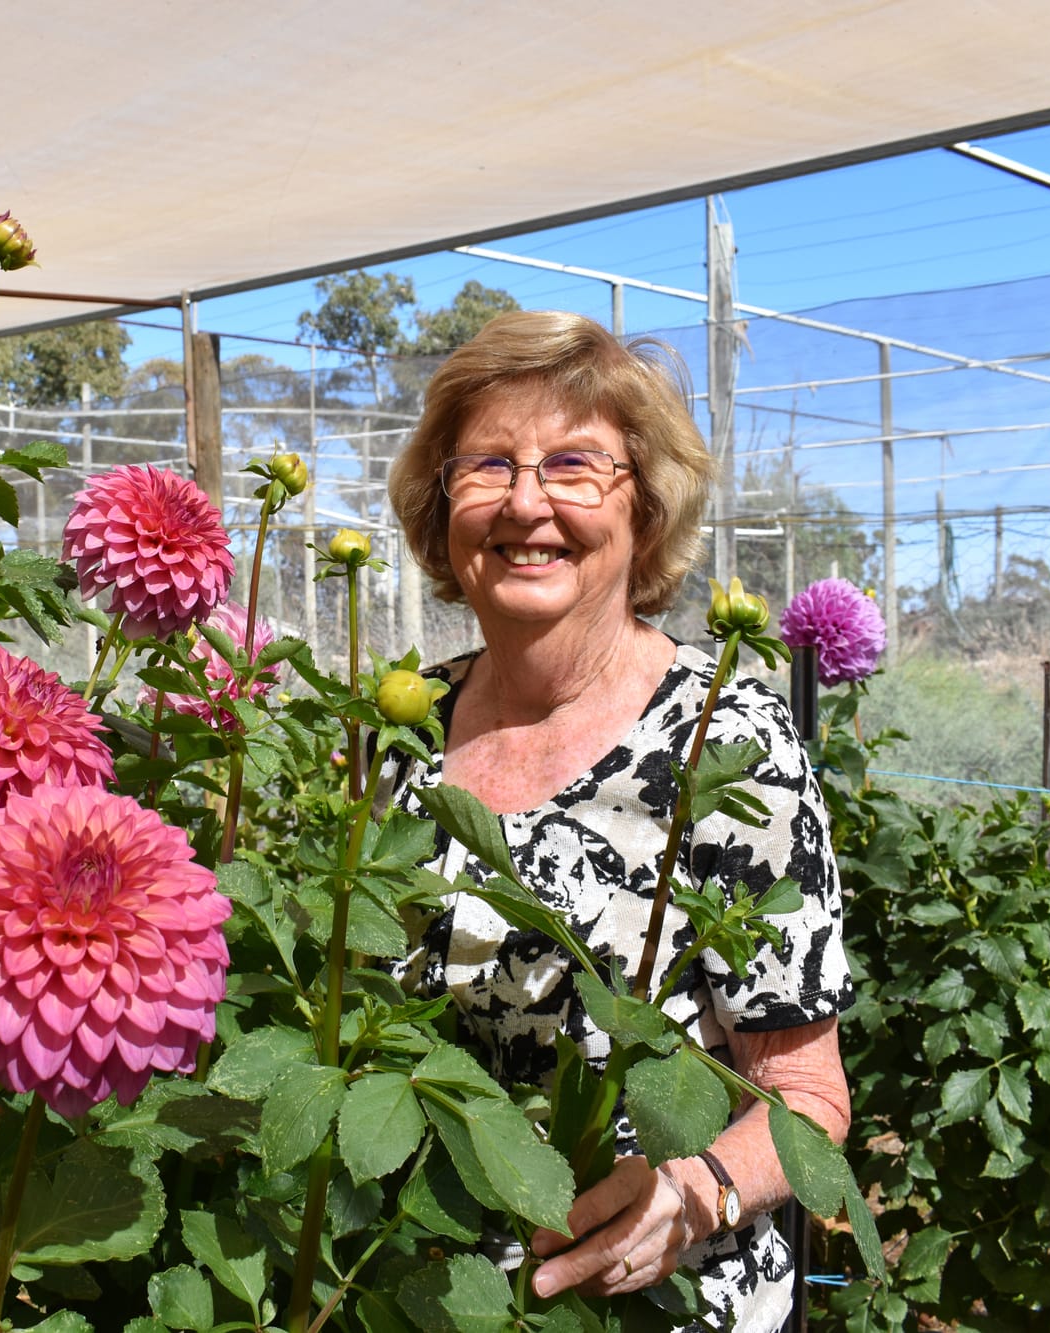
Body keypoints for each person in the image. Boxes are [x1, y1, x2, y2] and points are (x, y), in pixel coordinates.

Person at [382, 311, 853, 1333]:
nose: (526, 502)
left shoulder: (725, 740)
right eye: (488, 465)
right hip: (431, 1295)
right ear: (440, 503)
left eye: (574, 466)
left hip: (656, 1303)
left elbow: (808, 1093)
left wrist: (690, 1195)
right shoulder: (404, 727)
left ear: (644, 508)